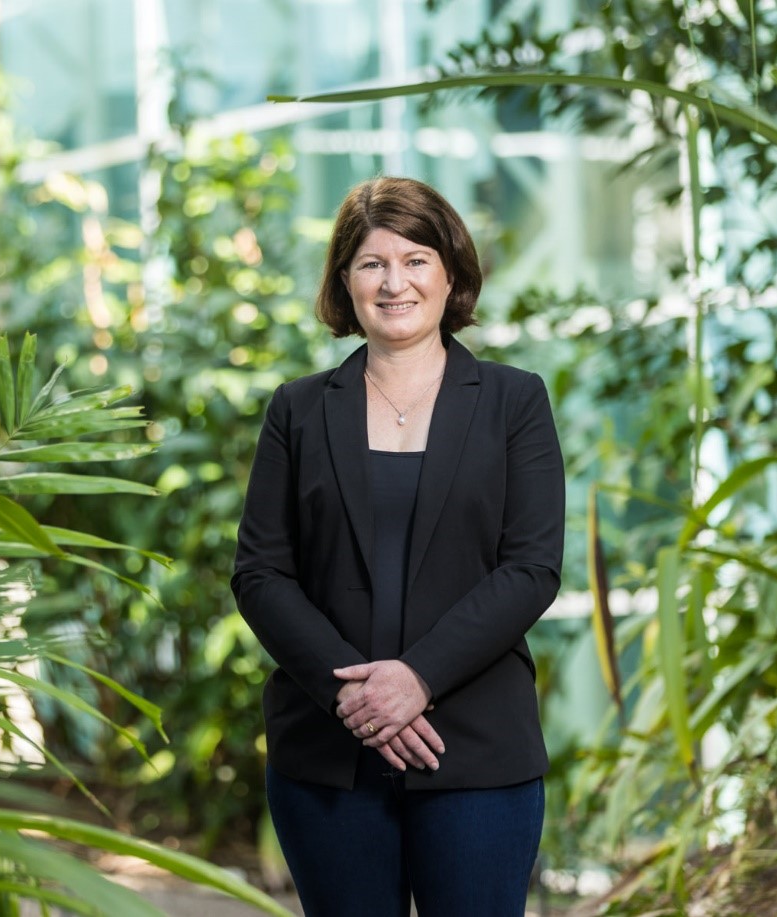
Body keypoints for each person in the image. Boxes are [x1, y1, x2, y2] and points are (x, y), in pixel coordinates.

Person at [230, 176, 565, 916]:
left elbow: (532, 567)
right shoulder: (298, 409)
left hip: (475, 747)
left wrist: (417, 678)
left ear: (451, 273)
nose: (394, 282)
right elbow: (259, 572)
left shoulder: (515, 401)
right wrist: (351, 694)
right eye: (371, 263)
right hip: (327, 749)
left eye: (414, 259)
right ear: (343, 281)